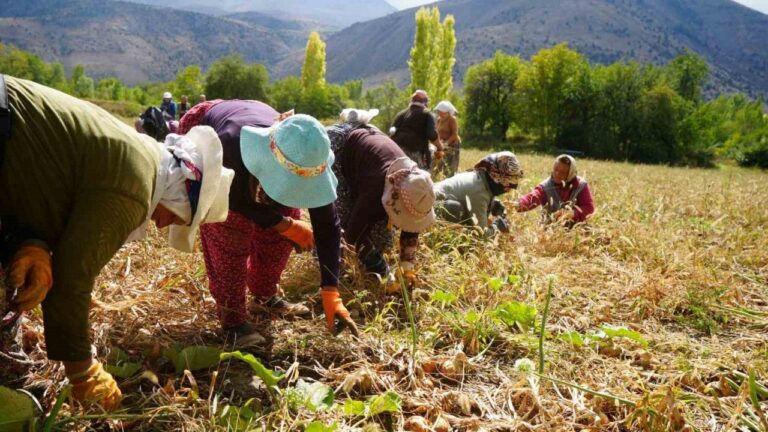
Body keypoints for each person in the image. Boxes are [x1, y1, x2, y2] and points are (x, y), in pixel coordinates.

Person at [0, 76, 234, 410]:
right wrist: (83, 371)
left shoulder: (139, 158)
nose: (164, 224)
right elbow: (71, 278)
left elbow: (42, 176)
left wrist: (30, 243)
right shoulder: (133, 188)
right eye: (180, 219)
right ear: (185, 192)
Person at [178, 100, 358, 344]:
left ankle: (264, 295)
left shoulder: (309, 156)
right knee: (229, 230)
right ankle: (233, 321)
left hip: (265, 141)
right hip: (217, 144)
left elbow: (328, 225)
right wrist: (281, 223)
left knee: (287, 223)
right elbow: (227, 198)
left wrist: (330, 290)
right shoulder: (228, 145)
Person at [327, 109, 436, 290]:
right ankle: (331, 274)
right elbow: (354, 234)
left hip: (370, 164)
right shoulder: (376, 192)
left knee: (382, 240)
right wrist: (383, 271)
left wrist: (407, 266)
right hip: (342, 150)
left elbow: (413, 222)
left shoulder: (416, 186)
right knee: (342, 222)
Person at [434, 152, 524, 237]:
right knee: (453, 208)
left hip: (430, 204)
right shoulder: (478, 191)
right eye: (508, 185)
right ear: (496, 178)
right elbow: (482, 235)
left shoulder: (480, 179)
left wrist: (491, 203)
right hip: (426, 210)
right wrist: (497, 227)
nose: (508, 190)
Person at [513, 154, 595, 227]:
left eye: (563, 172)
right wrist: (517, 205)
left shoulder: (581, 185)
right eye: (556, 170)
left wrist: (570, 214)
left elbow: (589, 207)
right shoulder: (546, 186)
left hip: (576, 228)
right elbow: (532, 198)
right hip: (550, 229)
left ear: (571, 173)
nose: (557, 174)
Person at [390, 90, 443, 170]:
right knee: (417, 177)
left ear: (412, 101)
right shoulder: (427, 114)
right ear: (425, 102)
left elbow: (392, 133)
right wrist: (440, 147)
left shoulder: (401, 114)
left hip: (397, 154)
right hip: (415, 154)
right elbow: (431, 135)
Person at [434, 100, 461, 177]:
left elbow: (454, 134)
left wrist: (446, 144)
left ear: (447, 112)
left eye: (442, 112)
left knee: (450, 166)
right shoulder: (439, 119)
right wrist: (439, 143)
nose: (440, 113)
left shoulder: (452, 119)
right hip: (442, 144)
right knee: (439, 164)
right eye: (439, 111)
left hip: (452, 145)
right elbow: (437, 132)